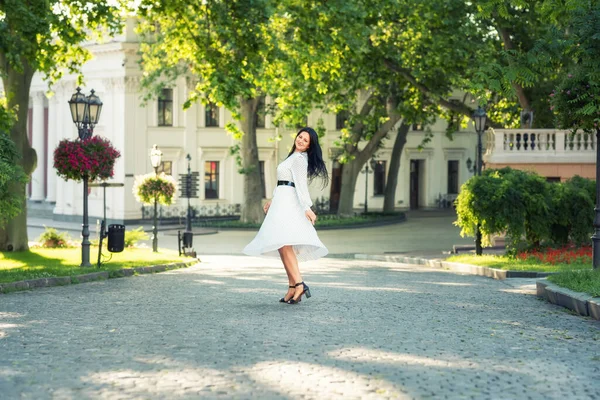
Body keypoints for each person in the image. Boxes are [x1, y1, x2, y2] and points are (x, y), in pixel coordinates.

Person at [243, 127, 329, 304]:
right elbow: (283, 182)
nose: (301, 141)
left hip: (290, 203)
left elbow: (300, 185)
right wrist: (273, 199)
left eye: (305, 141)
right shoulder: (292, 157)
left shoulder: (298, 159)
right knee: (282, 244)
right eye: (300, 137)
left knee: (285, 243)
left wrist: (307, 207)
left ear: (308, 147)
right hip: (281, 200)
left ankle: (299, 284)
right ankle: (292, 287)